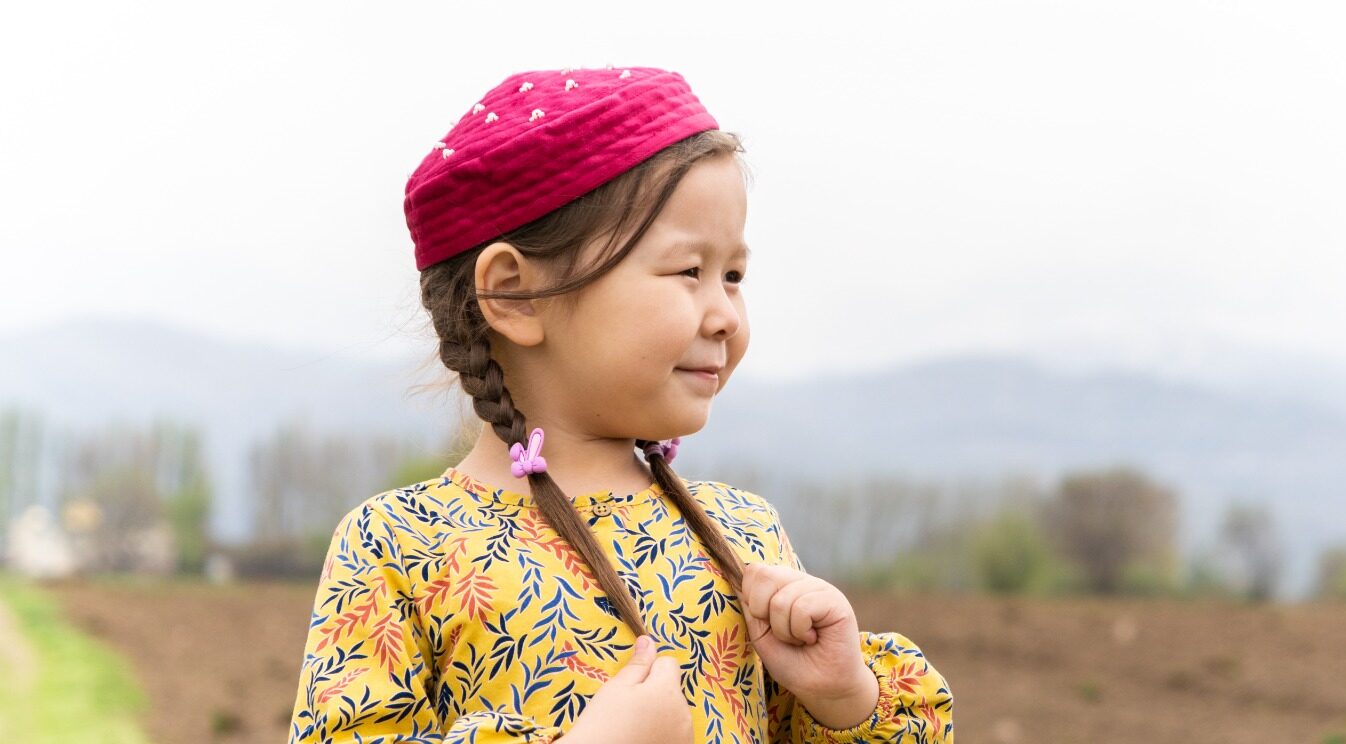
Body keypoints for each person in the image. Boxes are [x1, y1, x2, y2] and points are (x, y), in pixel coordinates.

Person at [285, 65, 954, 743]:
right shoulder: (401, 546)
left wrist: (845, 697)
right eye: (688, 271)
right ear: (515, 294)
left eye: (734, 276)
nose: (725, 314)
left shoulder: (745, 538)